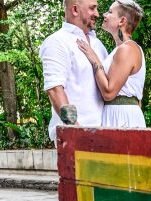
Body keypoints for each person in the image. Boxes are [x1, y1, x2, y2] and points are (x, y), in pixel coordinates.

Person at [39, 0, 108, 143]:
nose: (97, 13)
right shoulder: (57, 42)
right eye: (92, 8)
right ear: (75, 10)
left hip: (104, 135)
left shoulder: (98, 45)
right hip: (75, 138)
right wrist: (76, 133)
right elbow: (55, 90)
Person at [76, 0, 146, 128]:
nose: (104, 14)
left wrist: (95, 59)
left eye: (110, 12)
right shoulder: (118, 50)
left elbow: (109, 93)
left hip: (122, 117)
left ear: (122, 21)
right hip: (114, 114)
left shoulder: (127, 49)